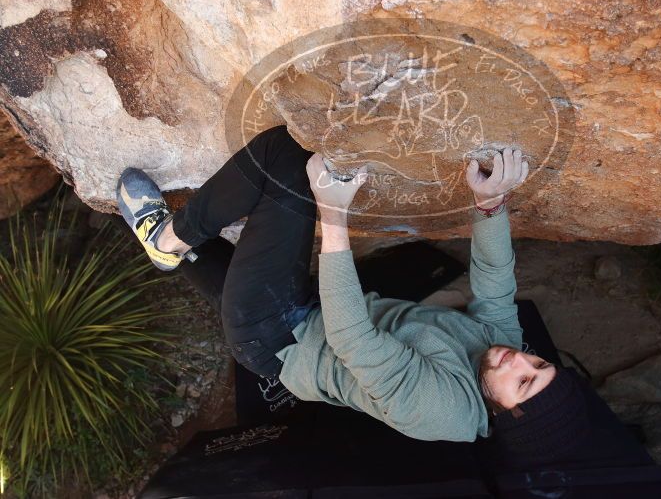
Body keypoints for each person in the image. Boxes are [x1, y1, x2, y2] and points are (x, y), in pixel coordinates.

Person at [116, 125, 589, 443]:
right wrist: (490, 202)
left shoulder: (442, 412)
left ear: (507, 416)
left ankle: (165, 236)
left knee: (284, 158)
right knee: (216, 259)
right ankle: (172, 250)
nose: (520, 359)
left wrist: (333, 212)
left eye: (524, 383)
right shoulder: (502, 352)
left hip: (279, 338)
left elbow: (353, 340)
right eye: (539, 361)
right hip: (316, 314)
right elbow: (495, 285)